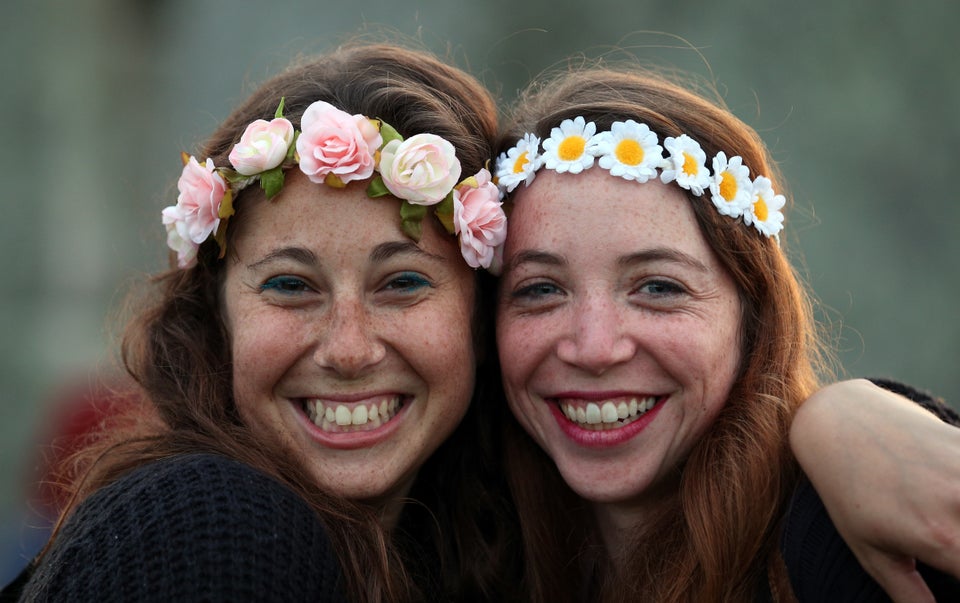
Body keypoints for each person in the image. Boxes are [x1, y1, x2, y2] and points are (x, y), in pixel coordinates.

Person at [3, 42, 515, 602]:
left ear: (480, 317)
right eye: (290, 285)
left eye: (402, 283)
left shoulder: (461, 554)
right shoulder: (213, 529)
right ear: (216, 320)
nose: (348, 350)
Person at [492, 61, 960, 602]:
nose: (595, 348)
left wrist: (841, 414)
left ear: (755, 317)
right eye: (540, 289)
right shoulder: (460, 548)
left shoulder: (850, 535)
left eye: (659, 288)